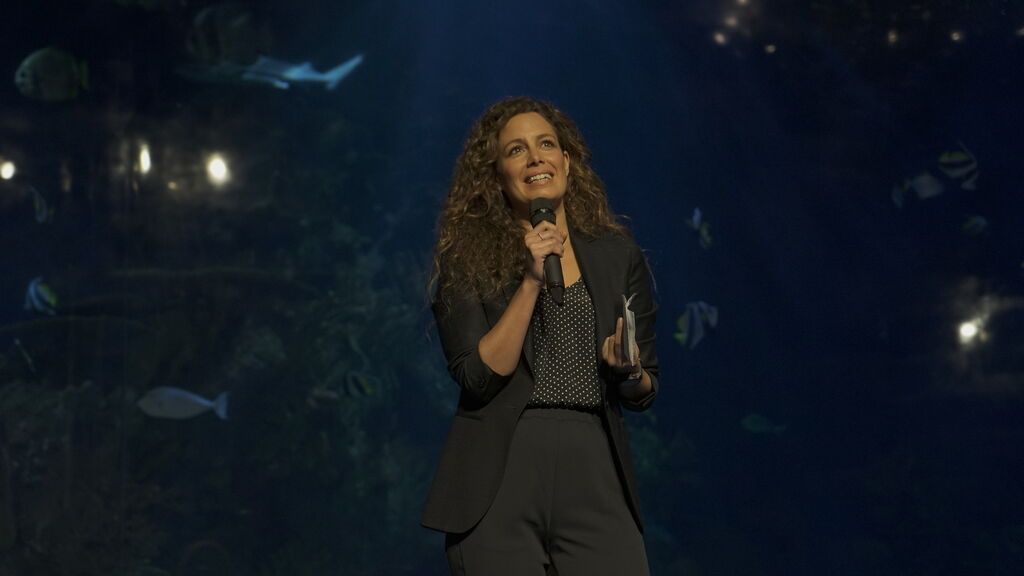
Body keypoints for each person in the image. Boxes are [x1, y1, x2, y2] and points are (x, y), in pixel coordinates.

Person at [423, 96, 660, 576]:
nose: (534, 158)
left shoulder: (617, 254)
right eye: (515, 150)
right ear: (497, 175)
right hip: (501, 467)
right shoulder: (466, 258)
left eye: (546, 144)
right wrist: (531, 279)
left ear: (567, 162)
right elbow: (477, 375)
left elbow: (644, 389)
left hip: (593, 463)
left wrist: (629, 370)